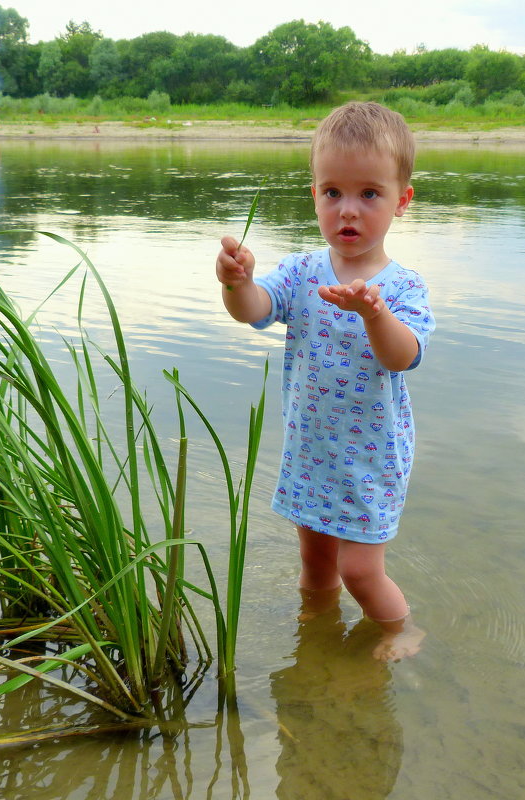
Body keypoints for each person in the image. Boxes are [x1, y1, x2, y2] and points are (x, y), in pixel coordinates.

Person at [215, 101, 434, 660]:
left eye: (369, 194)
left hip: (372, 454)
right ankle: (316, 623)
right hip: (310, 449)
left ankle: (400, 628)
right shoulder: (301, 271)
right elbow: (255, 309)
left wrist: (373, 314)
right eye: (332, 192)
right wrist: (237, 282)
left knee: (360, 568)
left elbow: (402, 356)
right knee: (314, 558)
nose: (348, 210)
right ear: (314, 194)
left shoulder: (403, 287)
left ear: (401, 201)